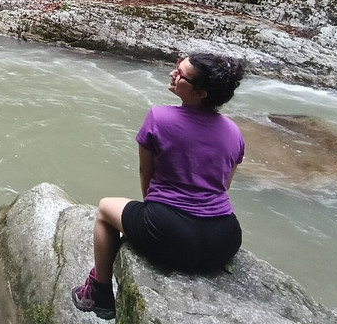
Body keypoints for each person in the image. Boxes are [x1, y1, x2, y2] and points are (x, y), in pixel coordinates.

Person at [72, 53, 247, 320]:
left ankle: (101, 293)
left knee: (105, 209)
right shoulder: (233, 132)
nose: (172, 74)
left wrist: (149, 217)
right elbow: (224, 185)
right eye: (177, 67)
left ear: (200, 93)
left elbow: (147, 173)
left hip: (169, 228)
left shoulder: (159, 117)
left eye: (181, 73)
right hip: (225, 238)